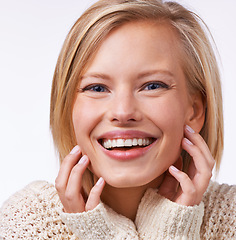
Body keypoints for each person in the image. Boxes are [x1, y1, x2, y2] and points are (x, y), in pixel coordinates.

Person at [0, 0, 235, 239]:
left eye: (152, 86)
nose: (123, 113)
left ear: (194, 110)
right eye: (97, 88)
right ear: (67, 108)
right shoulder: (26, 221)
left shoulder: (230, 218)